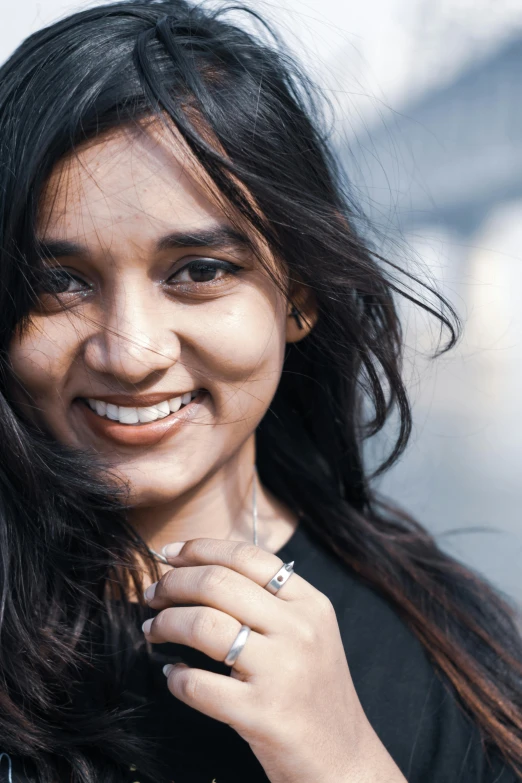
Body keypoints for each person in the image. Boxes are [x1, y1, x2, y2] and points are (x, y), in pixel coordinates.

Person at [0, 1, 520, 781]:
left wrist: (344, 761)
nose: (131, 354)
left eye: (199, 271)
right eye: (59, 282)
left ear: (298, 295)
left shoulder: (455, 654)